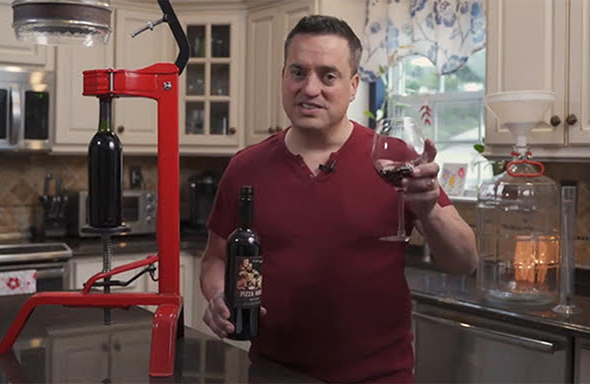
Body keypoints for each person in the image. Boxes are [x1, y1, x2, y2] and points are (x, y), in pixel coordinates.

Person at [199, 15, 478, 383]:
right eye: (298, 72)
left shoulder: (395, 159)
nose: (310, 88)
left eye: (328, 76)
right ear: (283, 77)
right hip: (273, 373)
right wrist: (219, 296)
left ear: (353, 86)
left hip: (380, 377)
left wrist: (429, 212)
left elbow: (465, 261)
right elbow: (215, 259)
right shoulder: (245, 167)